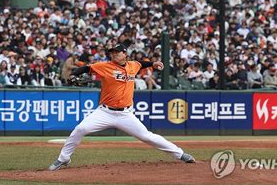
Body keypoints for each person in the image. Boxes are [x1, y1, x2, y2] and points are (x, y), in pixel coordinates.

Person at [48, 44, 195, 171]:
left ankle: (180, 154)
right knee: (80, 129)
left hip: (126, 114)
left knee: (147, 136)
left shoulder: (133, 65)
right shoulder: (105, 66)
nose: (113, 54)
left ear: (125, 54)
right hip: (104, 112)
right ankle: (64, 158)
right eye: (112, 53)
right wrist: (73, 75)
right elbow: (86, 68)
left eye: (116, 52)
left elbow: (141, 64)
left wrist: (153, 63)